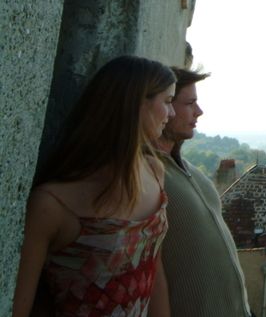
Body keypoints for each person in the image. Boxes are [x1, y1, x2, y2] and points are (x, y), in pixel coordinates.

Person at [13, 55, 176, 317]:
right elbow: (17, 308)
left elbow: (154, 270)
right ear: (134, 103)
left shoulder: (155, 171)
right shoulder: (50, 205)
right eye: (167, 102)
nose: (172, 113)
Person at [156, 65, 251, 317]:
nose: (199, 111)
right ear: (163, 107)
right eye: (190, 103)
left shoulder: (188, 169)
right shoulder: (144, 173)